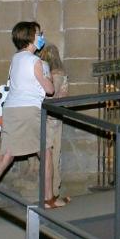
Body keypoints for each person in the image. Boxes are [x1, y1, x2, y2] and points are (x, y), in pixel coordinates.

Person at [0, 21, 64, 219]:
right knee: (46, 153)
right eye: (39, 33)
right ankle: (48, 200)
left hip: (11, 111)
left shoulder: (16, 59)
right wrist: (47, 77)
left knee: (5, 156)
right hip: (28, 112)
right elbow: (50, 90)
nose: (42, 36)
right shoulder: (35, 62)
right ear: (31, 37)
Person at [38, 43, 71, 206]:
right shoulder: (62, 73)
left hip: (49, 118)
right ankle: (52, 191)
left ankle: (51, 192)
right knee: (52, 154)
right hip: (57, 117)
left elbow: (52, 95)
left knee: (49, 155)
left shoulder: (54, 73)